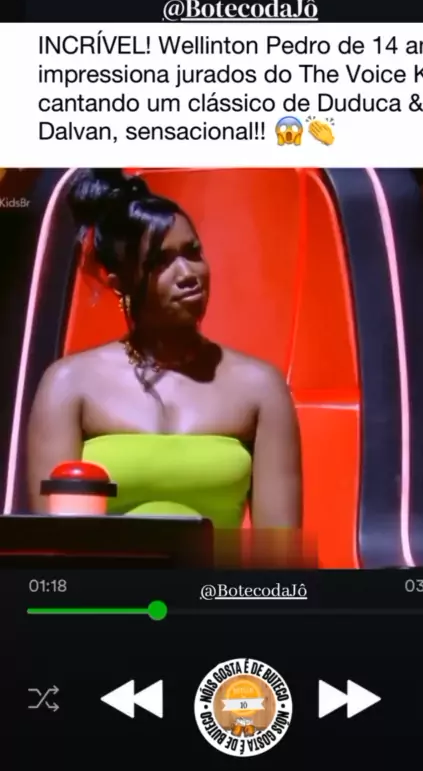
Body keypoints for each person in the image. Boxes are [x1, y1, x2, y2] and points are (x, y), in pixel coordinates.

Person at [27, 168, 303, 529]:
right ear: (121, 282)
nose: (188, 274)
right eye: (161, 261)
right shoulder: (69, 383)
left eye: (193, 252)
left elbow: (278, 551)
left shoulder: (260, 387)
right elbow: (50, 543)